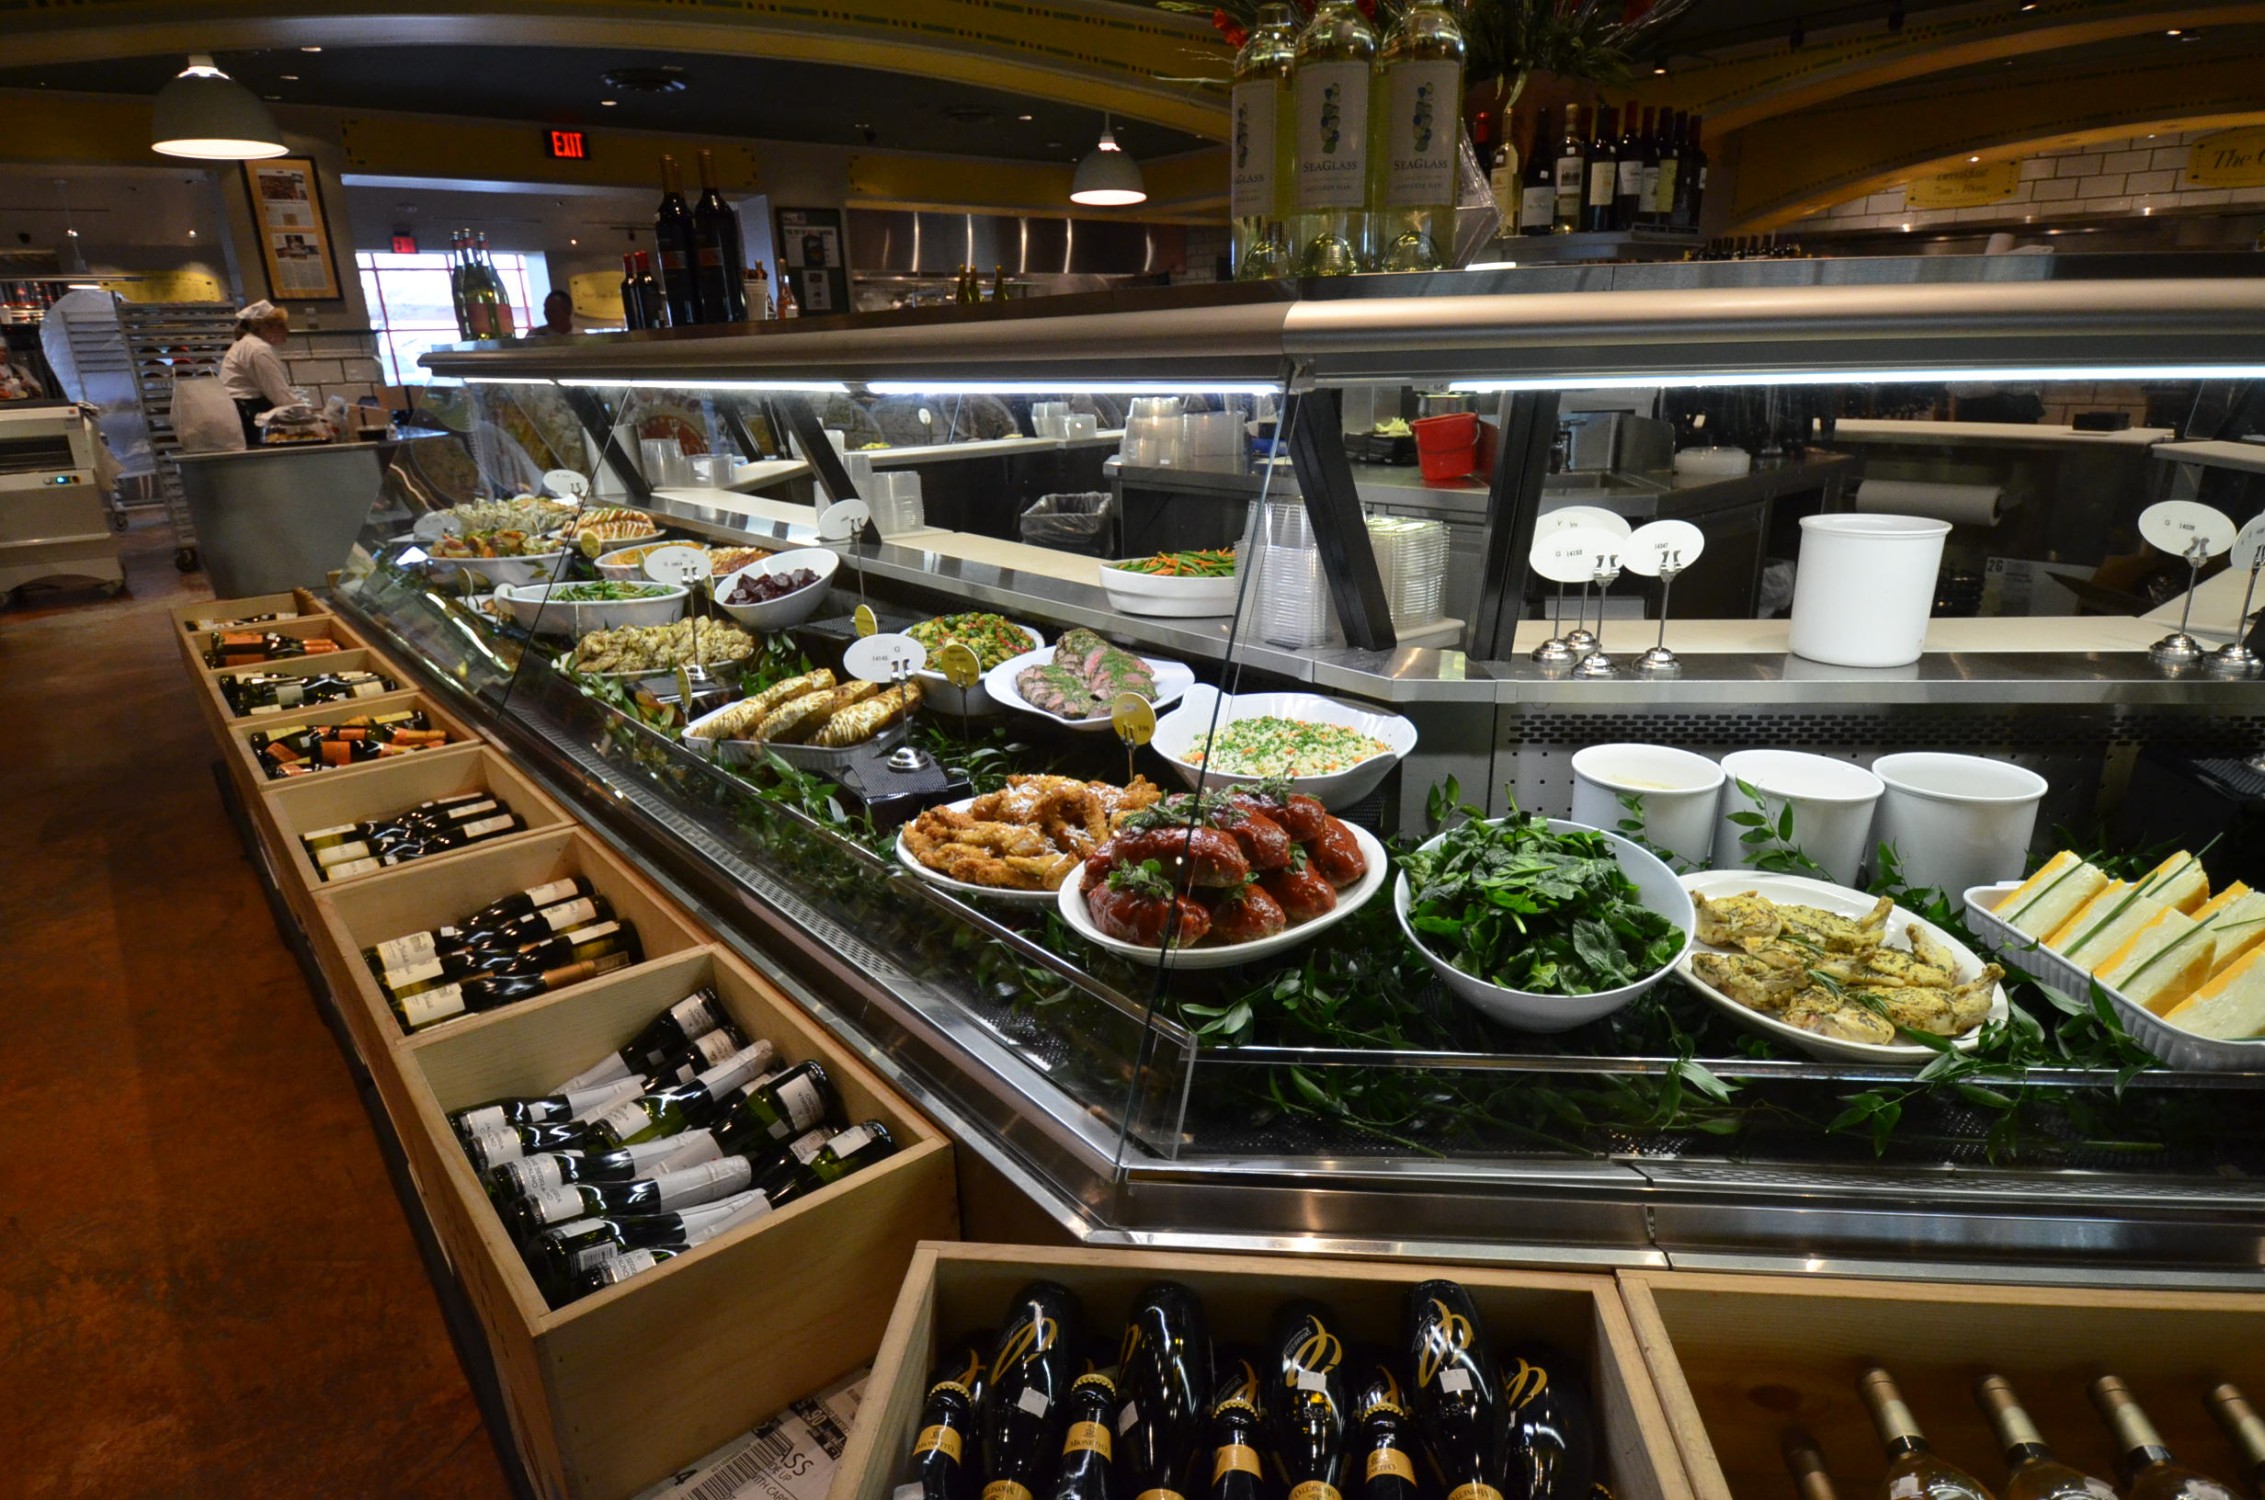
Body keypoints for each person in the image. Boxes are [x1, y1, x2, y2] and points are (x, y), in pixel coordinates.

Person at [220, 299, 296, 444]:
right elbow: (279, 394)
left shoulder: (245, 344)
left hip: (238, 412)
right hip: (250, 413)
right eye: (281, 325)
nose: (287, 330)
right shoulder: (259, 349)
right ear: (264, 327)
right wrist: (308, 418)